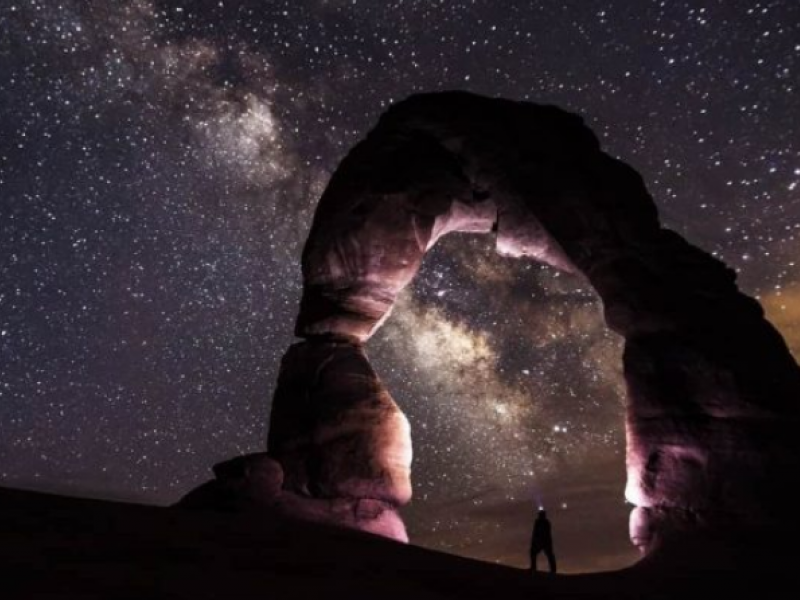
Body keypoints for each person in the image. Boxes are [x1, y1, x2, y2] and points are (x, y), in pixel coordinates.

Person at [529, 508, 557, 574]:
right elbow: (535, 533)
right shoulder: (539, 522)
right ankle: (534, 567)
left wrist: (535, 541)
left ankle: (553, 570)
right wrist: (534, 541)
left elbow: (544, 533)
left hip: (545, 542)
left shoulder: (545, 523)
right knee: (534, 553)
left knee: (549, 555)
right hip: (541, 542)